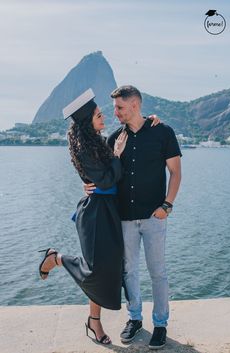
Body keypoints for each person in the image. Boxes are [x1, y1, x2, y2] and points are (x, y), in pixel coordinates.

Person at [38, 88, 160, 345]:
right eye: (98, 115)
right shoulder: (87, 147)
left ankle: (94, 321)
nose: (103, 117)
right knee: (97, 270)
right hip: (95, 214)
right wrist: (116, 154)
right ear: (86, 120)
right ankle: (57, 259)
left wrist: (151, 120)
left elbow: (134, 133)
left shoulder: (97, 141)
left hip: (108, 209)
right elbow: (105, 178)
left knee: (110, 270)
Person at [85, 85, 182, 349]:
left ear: (135, 105)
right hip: (124, 218)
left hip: (155, 217)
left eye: (119, 107)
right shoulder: (114, 138)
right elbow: (104, 175)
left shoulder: (163, 132)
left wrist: (167, 205)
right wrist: (89, 185)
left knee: (158, 272)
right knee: (129, 272)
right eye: (114, 108)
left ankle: (160, 324)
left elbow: (175, 172)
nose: (115, 113)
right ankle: (135, 318)